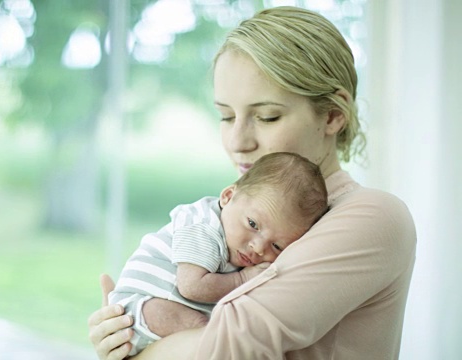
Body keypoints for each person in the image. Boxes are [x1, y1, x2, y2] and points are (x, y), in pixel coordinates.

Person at [88, 6, 416, 360]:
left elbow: (230, 346)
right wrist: (125, 332)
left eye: (267, 116)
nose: (237, 141)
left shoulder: (372, 218)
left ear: (334, 115)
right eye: (226, 116)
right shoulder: (239, 220)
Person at [109, 152, 328, 356]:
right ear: (228, 196)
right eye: (253, 224)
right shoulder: (203, 226)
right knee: (210, 337)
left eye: (277, 246)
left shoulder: (237, 241)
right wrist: (243, 278)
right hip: (138, 310)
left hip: (154, 321)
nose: (259, 248)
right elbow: (192, 286)